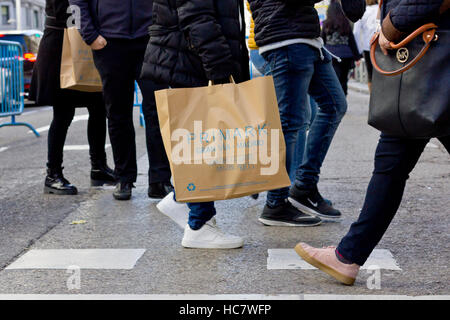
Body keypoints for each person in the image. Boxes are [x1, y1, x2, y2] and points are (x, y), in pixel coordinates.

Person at [295, 0, 450, 286]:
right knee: (391, 162)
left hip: (434, 48)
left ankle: (348, 255)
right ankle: (348, 256)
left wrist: (391, 27)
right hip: (424, 52)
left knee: (391, 163)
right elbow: (353, 10)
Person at [141, 0, 261, 249]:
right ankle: (199, 225)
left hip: (191, 58)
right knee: (200, 146)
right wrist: (219, 69)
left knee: (201, 142)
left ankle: (182, 199)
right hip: (192, 60)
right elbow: (197, 17)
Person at [248, 0, 365, 225]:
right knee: (291, 122)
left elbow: (354, 11)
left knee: (334, 106)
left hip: (307, 39)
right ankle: (275, 204)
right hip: (285, 38)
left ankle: (303, 185)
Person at [69, 0, 173, 201]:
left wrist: (166, 30)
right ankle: (124, 178)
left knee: (158, 109)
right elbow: (75, 2)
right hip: (109, 43)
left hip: (150, 39)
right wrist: (89, 35)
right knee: (118, 113)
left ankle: (160, 180)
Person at [30, 0, 116, 195]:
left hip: (82, 42)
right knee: (63, 112)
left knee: (98, 106)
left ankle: (98, 167)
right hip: (61, 44)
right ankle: (52, 174)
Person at [322, 0, 362, 96]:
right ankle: (343, 100)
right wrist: (357, 57)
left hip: (331, 55)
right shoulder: (345, 24)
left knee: (333, 80)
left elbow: (322, 41)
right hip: (345, 55)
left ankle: (336, 102)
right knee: (343, 80)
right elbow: (351, 41)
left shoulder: (326, 24)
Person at [353, 0, 379, 92]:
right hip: (380, 45)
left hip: (368, 47)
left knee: (370, 74)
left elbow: (356, 32)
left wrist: (359, 50)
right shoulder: (380, 9)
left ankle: (372, 99)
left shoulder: (362, 12)